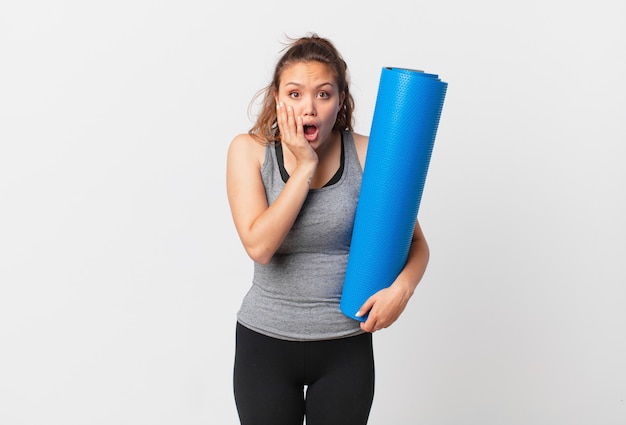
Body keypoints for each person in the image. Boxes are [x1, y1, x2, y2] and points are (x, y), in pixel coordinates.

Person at [226, 33, 429, 425]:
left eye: (323, 94)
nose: (309, 107)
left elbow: (417, 243)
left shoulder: (368, 154)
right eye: (295, 94)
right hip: (264, 344)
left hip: (345, 345)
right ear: (277, 98)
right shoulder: (248, 151)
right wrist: (304, 166)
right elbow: (260, 246)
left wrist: (401, 290)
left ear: (341, 100)